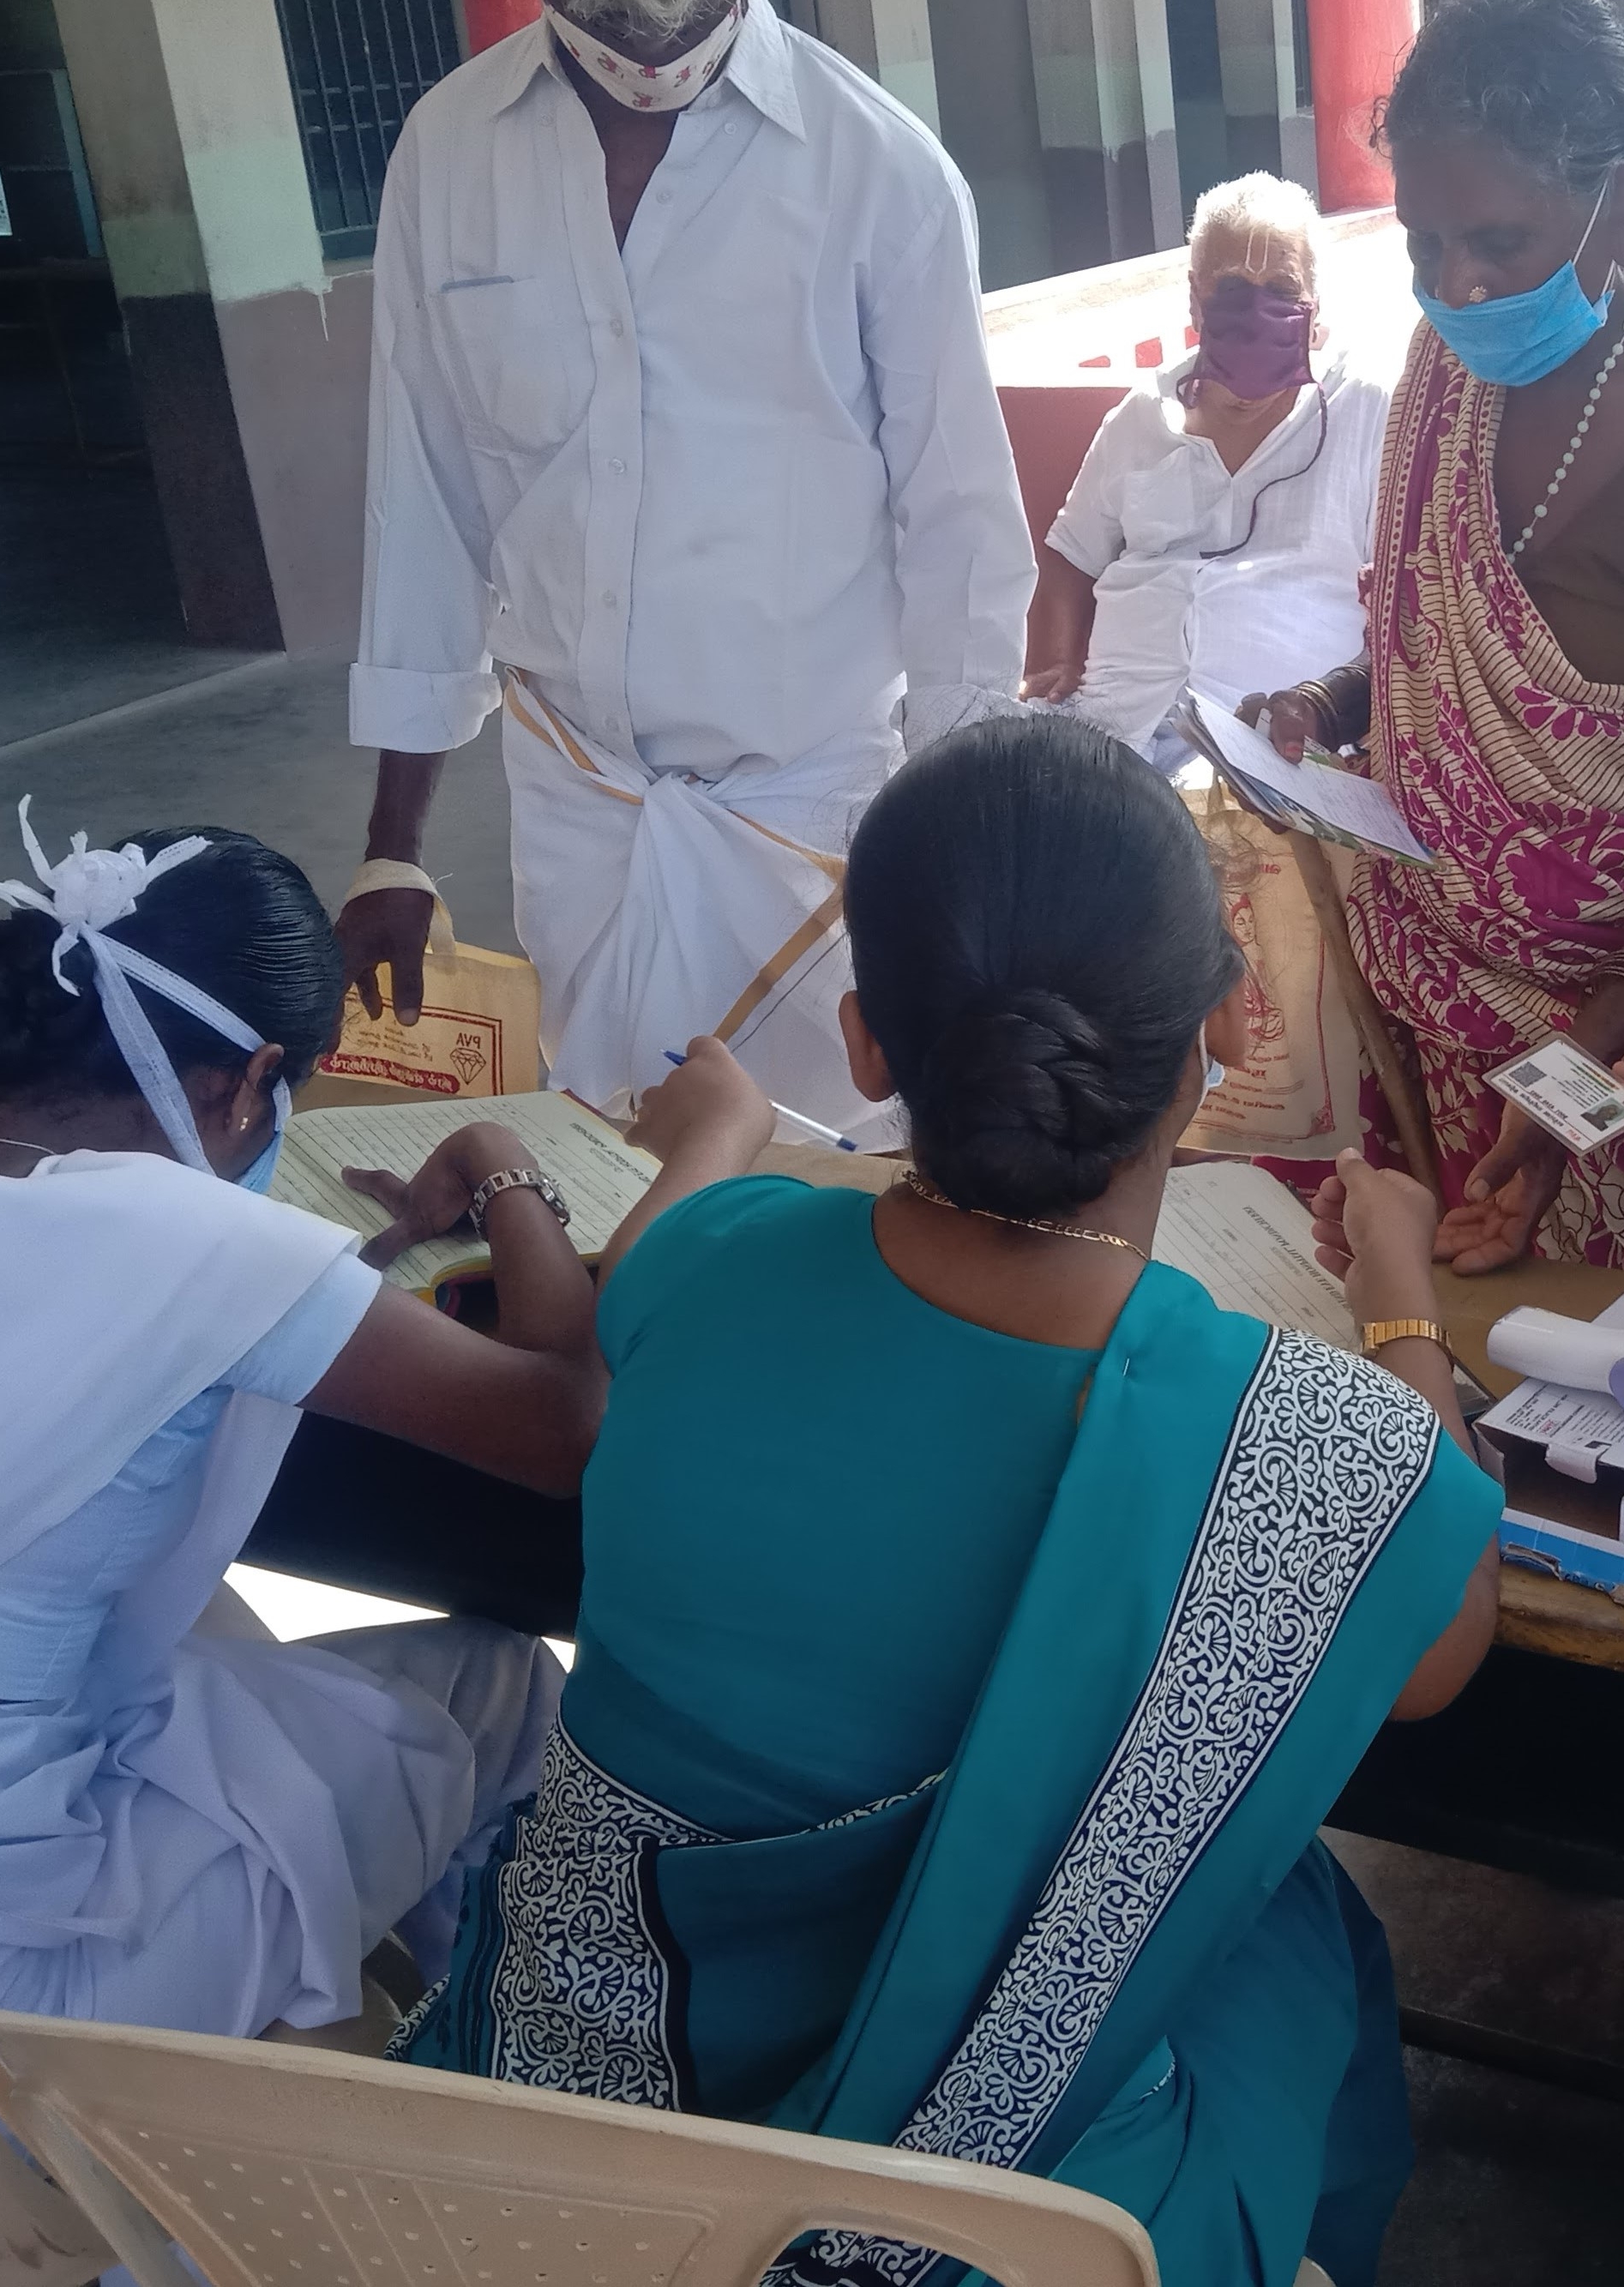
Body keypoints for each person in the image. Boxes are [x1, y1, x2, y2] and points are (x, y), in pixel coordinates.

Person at [401, 714, 1503, 2287]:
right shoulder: (1298, 1440)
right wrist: (1398, 1288)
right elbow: (1436, 1652)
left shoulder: (704, 1270)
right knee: (1270, 1928)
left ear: (863, 1046)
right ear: (1219, 1034)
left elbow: (652, 1260)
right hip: (992, 2216)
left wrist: (710, 1131)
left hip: (582, 2107)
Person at [0, 806, 760, 2265]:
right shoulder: (189, 1248)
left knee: (254, 1701)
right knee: (501, 1689)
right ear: (250, 1082)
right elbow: (573, 1422)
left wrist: (308, 1283)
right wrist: (539, 1160)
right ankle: (480, 2131)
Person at [338, 0, 1032, 1144]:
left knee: (832, 1196)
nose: (638, 40)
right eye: (593, 1)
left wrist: (967, 855)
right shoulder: (447, 156)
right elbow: (426, 493)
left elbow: (963, 538)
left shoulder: (879, 178)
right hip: (583, 812)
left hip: (817, 822)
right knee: (607, 1183)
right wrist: (390, 849)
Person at [1242, 0, 1624, 1287]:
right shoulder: (1451, 361)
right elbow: (1430, 631)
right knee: (1436, 1348)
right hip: (1441, 994)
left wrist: (1579, 1059)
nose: (1454, 287)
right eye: (1421, 245)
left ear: (1620, 209)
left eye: (1497, 244)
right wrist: (1338, 704)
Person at [1027, 174, 1389, 771]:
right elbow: (1072, 552)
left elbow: (1413, 605)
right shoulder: (1143, 415)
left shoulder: (1366, 412)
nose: (1255, 310)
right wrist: (1056, 661)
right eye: (1230, 288)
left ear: (1315, 303)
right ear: (1194, 298)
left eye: (1280, 287)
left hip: (1272, 749)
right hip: (1114, 731)